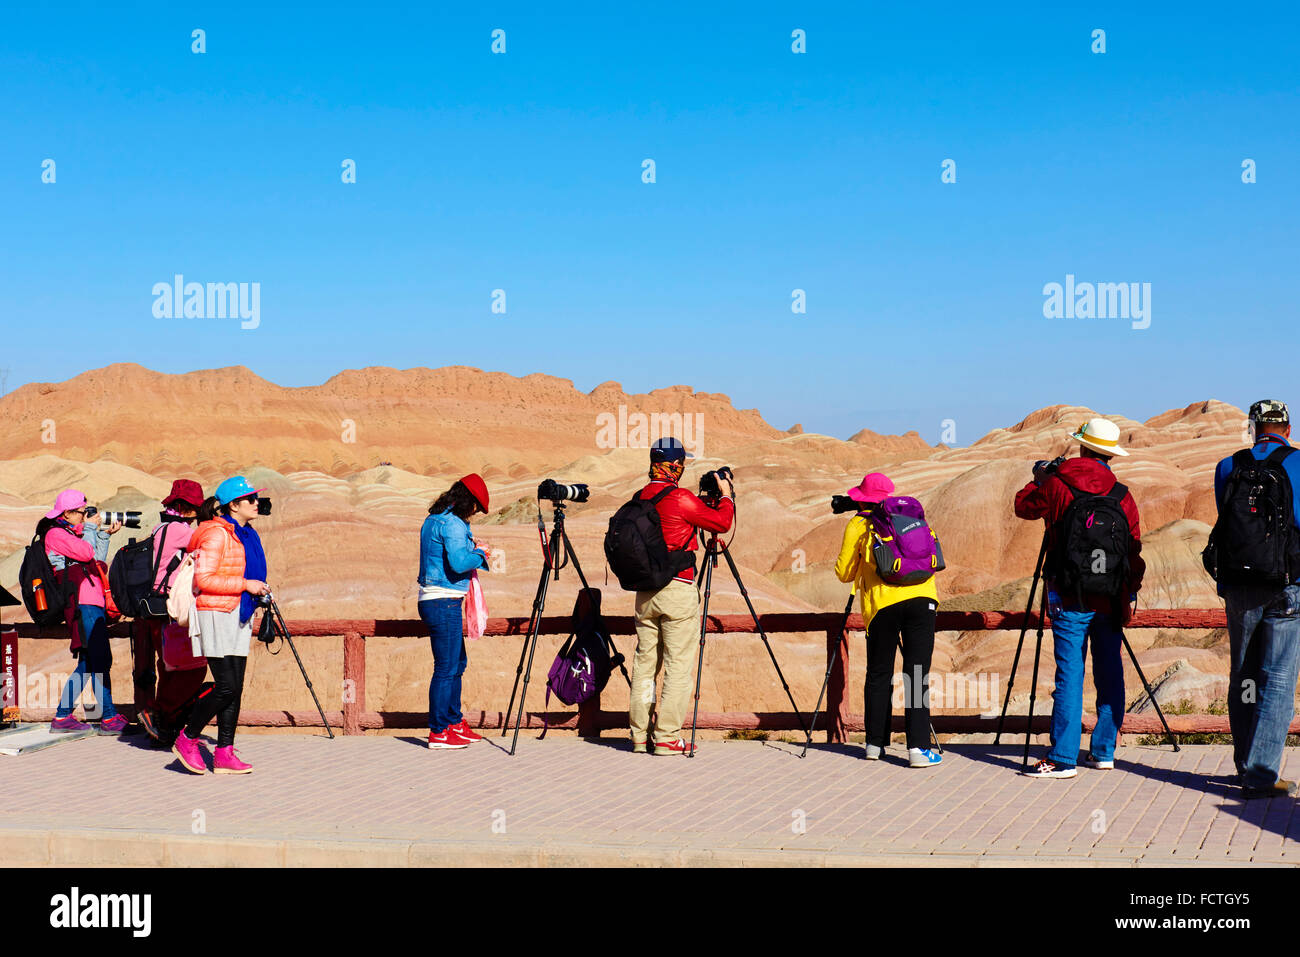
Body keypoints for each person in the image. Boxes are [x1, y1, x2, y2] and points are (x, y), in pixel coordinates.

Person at [1013, 417, 1145, 779]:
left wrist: (1038, 479)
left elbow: (1022, 507)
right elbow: (1133, 548)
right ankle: (1103, 752)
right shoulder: (1122, 494)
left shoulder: (1057, 484)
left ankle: (1062, 758)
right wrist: (1128, 591)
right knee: (1109, 672)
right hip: (1110, 598)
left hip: (1069, 595)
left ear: (1082, 447)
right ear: (1109, 455)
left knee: (1069, 676)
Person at [1213, 400, 1300, 799]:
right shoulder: (1298, 464)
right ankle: (1262, 775)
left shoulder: (1228, 467)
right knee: (1278, 679)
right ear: (1286, 426)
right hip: (1287, 585)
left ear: (1253, 427)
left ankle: (1245, 765)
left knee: (1244, 674)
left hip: (1240, 585)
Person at [628, 437, 734, 756]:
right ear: (676, 466)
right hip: (676, 589)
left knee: (645, 664)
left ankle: (638, 735)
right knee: (677, 665)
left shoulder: (638, 498)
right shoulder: (680, 498)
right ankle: (666, 737)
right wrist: (726, 496)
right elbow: (722, 523)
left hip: (644, 593)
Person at [833, 472, 942, 768]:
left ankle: (874, 744)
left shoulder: (858, 524)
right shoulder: (910, 515)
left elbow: (843, 573)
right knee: (917, 673)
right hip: (923, 600)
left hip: (882, 607)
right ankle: (919, 749)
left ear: (861, 498)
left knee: (879, 674)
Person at [171, 477, 269, 774]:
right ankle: (187, 738)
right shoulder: (216, 534)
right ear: (233, 505)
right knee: (225, 687)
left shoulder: (245, 533)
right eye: (250, 499)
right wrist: (246, 584)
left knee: (235, 688)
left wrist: (256, 590)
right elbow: (205, 580)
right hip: (216, 613)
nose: (256, 503)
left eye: (256, 498)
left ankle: (225, 751)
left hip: (238, 612)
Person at [419, 474, 492, 750]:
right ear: (467, 501)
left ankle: (453, 722)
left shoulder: (434, 519)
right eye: (476, 507)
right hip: (444, 601)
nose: (475, 512)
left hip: (435, 600)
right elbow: (460, 562)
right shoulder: (453, 523)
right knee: (446, 668)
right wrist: (482, 552)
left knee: (456, 664)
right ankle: (438, 731)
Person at [45, 490, 126, 734]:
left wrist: (103, 535)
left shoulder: (73, 534)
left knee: (92, 660)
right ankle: (107, 717)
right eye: (81, 512)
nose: (85, 515)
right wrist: (90, 530)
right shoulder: (56, 534)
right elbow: (86, 553)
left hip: (92, 601)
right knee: (98, 659)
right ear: (67, 513)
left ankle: (65, 716)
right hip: (81, 603)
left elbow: (96, 561)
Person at [133, 480, 207, 746]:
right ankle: (158, 712)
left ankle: (166, 724)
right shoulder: (178, 530)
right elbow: (206, 541)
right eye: (196, 509)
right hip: (169, 609)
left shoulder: (162, 527)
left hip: (156, 608)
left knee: (169, 667)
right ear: (185, 508)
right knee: (189, 668)